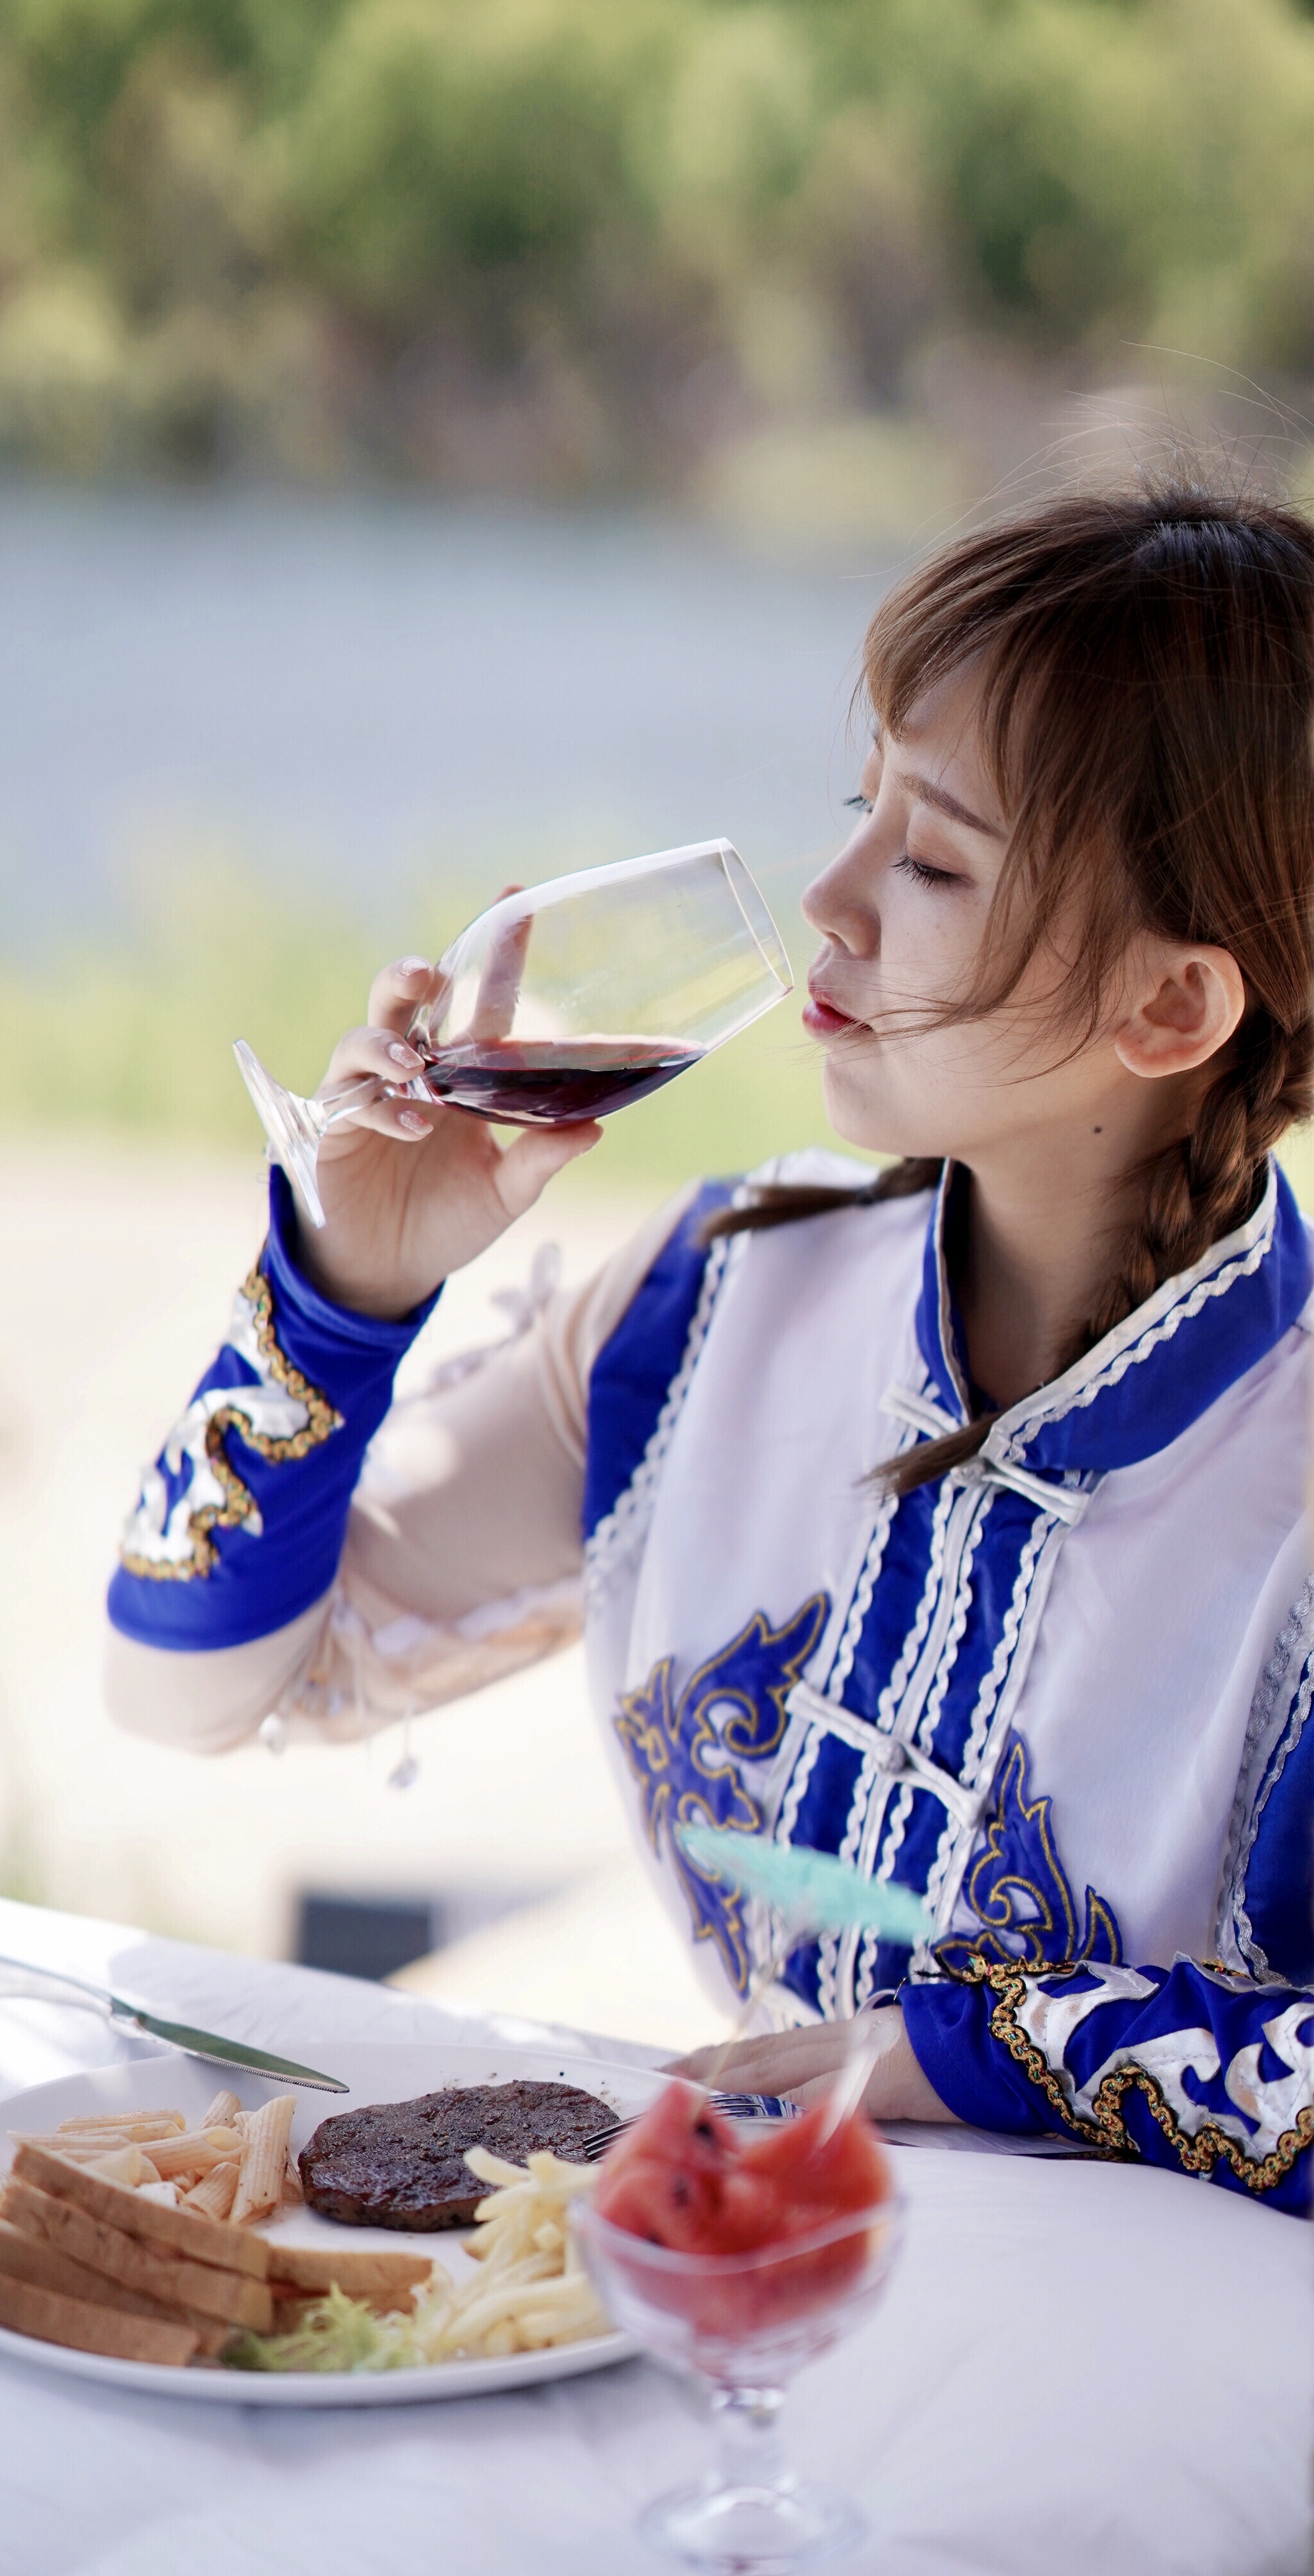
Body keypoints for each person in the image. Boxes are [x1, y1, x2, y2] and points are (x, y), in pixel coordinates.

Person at [104, 484, 1314, 2212]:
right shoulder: (718, 1304)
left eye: (934, 860)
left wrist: (978, 2049)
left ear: (1174, 1005)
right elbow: (188, 1691)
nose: (829, 895)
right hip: (726, 2305)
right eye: (862, 810)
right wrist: (340, 1295)